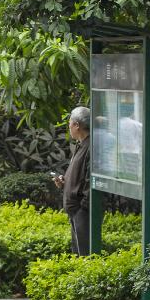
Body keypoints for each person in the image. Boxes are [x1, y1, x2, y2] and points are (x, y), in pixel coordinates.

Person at [53, 106, 91, 256]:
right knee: (78, 255)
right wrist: (65, 182)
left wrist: (83, 207)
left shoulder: (90, 146)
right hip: (76, 210)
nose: (68, 126)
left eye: (70, 122)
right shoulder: (81, 145)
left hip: (82, 212)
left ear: (77, 125)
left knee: (85, 256)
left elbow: (90, 181)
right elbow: (79, 176)